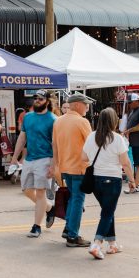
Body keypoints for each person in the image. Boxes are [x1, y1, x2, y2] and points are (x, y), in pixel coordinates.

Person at [82, 108, 136, 259]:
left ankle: (112, 244)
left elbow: (83, 158)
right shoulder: (117, 138)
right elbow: (125, 163)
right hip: (112, 179)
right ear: (113, 121)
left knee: (107, 211)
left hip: (95, 181)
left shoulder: (91, 136)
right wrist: (132, 181)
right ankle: (97, 243)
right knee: (107, 212)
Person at [10, 89, 58, 238]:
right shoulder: (28, 117)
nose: (37, 100)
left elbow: (56, 145)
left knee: (41, 191)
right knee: (26, 190)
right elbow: (22, 138)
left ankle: (36, 227)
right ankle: (49, 207)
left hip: (45, 159)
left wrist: (54, 165)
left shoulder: (53, 119)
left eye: (40, 99)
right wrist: (14, 158)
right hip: (29, 159)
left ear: (47, 101)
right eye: (36, 98)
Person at [51, 93, 93, 247]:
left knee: (73, 199)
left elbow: (54, 145)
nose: (87, 107)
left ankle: (69, 229)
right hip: (79, 168)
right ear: (76, 105)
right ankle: (72, 235)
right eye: (85, 104)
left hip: (64, 167)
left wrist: (56, 165)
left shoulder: (58, 121)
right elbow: (91, 145)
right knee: (77, 200)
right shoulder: (82, 121)